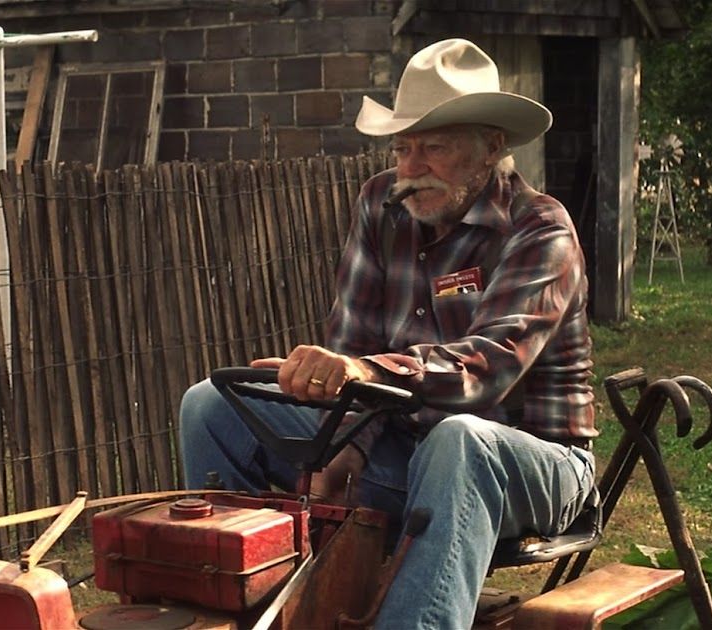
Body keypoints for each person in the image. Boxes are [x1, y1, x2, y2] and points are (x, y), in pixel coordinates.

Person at [178, 38, 597, 629]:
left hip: (535, 465)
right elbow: (350, 344)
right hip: (403, 448)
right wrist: (344, 436)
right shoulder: (382, 203)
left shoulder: (540, 229)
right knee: (212, 404)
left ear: (492, 147)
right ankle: (249, 605)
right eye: (402, 148)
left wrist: (364, 374)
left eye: (434, 148)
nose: (409, 168)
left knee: (461, 439)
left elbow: (486, 368)